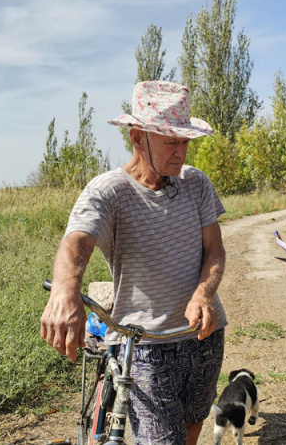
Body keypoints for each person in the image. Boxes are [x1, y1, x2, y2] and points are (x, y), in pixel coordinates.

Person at [40, 81, 228, 445]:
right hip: (145, 345)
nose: (182, 152)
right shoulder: (109, 191)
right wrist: (65, 292)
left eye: (185, 141)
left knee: (193, 424)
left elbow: (215, 250)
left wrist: (203, 295)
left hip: (204, 336)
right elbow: (76, 242)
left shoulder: (196, 184)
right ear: (138, 137)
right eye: (171, 141)